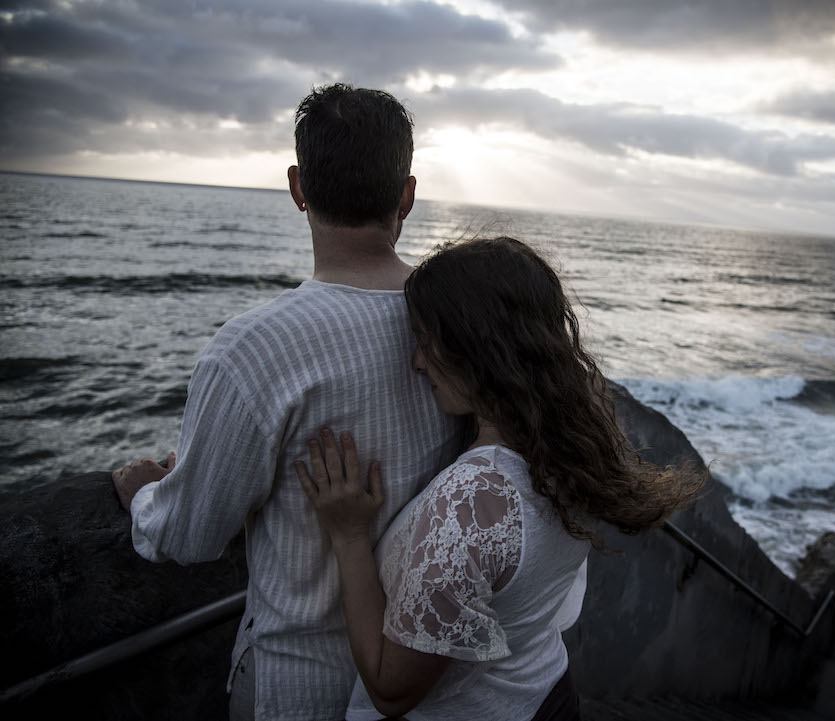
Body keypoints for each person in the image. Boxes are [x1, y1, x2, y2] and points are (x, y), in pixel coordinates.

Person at [111, 85, 464, 721]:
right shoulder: (457, 323)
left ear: (298, 188)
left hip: (296, 685)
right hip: (426, 679)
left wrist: (143, 496)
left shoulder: (254, 349)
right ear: (407, 195)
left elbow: (191, 536)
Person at [295, 237, 703, 720]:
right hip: (545, 693)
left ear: (475, 347)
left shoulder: (473, 500)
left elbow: (390, 689)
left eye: (426, 342)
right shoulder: (573, 445)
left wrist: (350, 536)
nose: (416, 363)